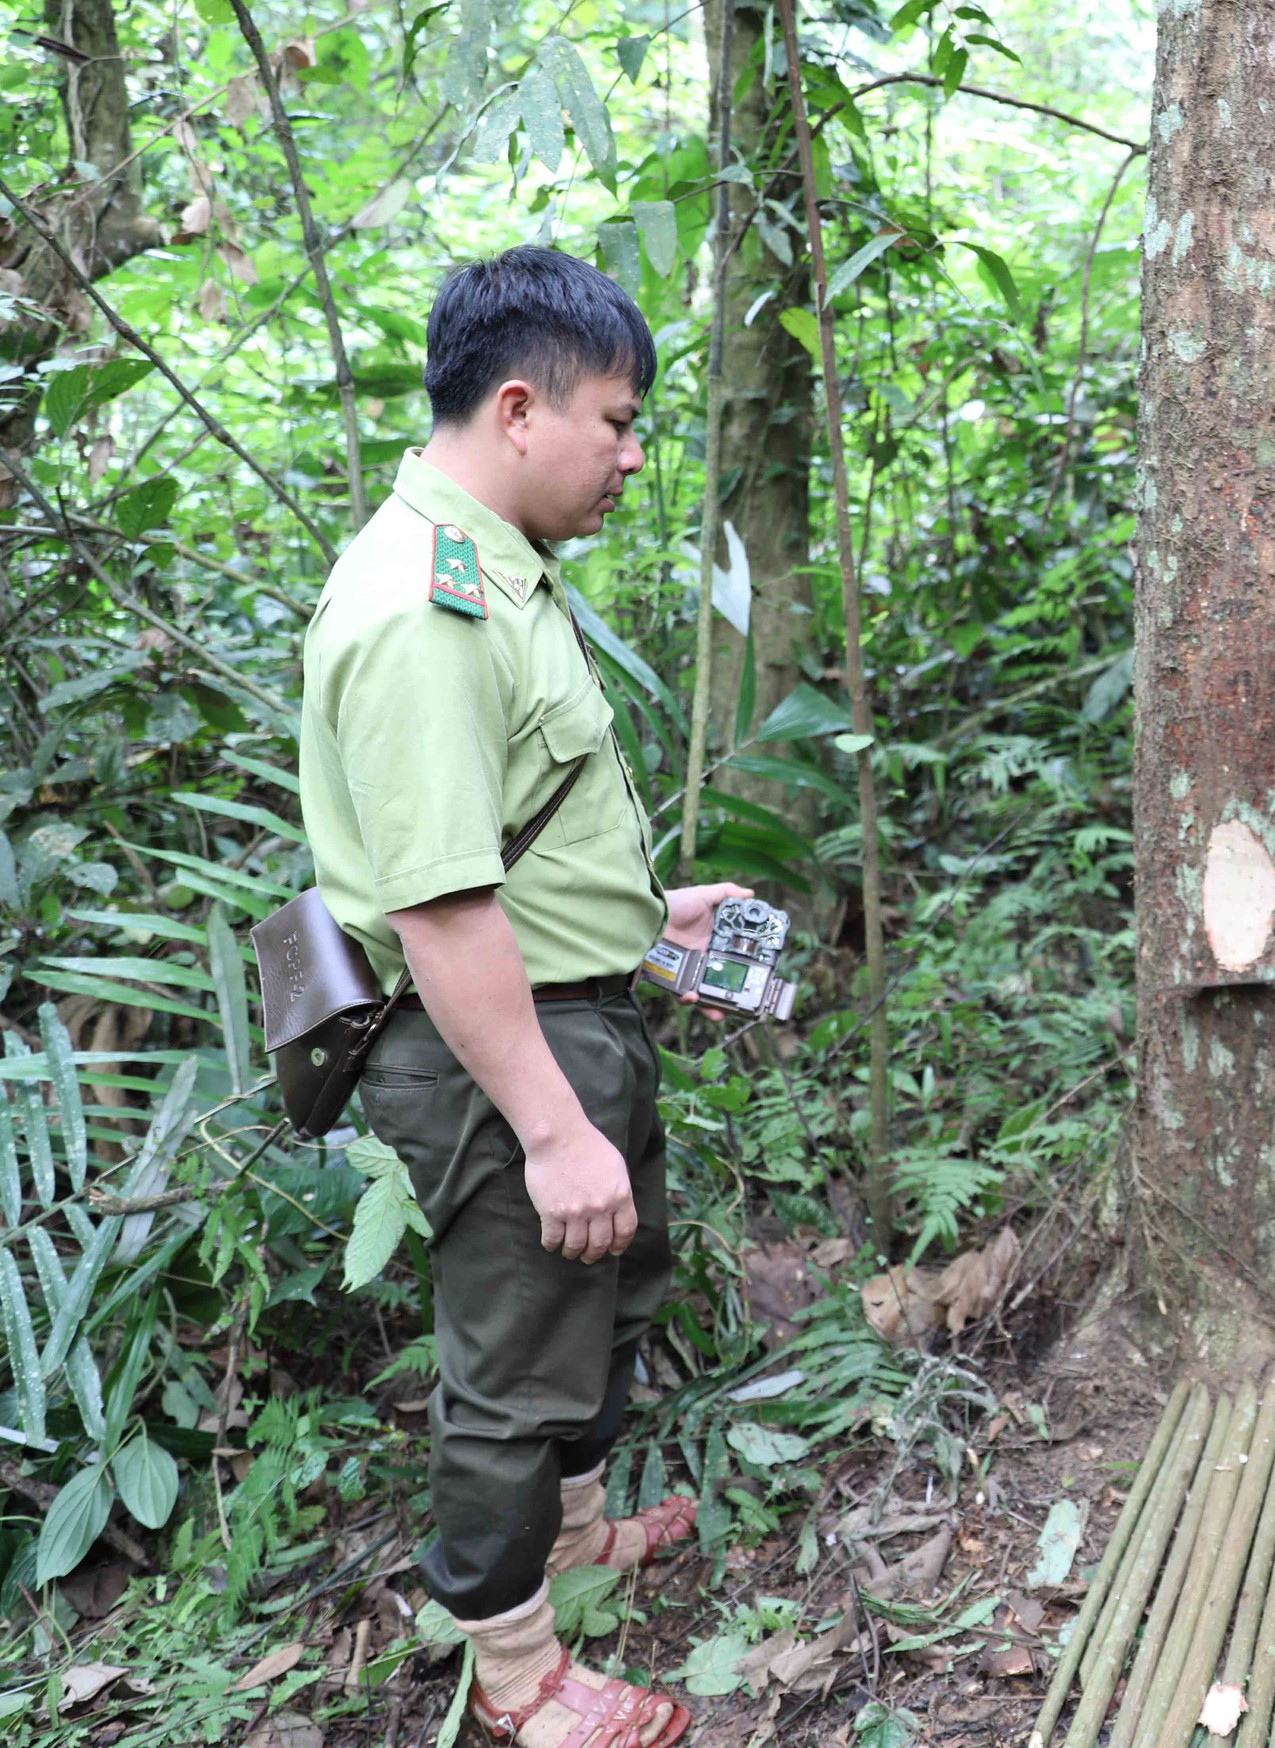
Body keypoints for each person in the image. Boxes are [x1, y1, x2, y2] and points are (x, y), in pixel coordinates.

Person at [301, 247, 747, 1748]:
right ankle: (516, 1675)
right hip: (494, 1045)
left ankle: (570, 1541)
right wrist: (552, 1130)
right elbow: (439, 908)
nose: (631, 454)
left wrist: (646, 917)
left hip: (564, 1009)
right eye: (617, 422)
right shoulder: (425, 611)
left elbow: (509, 831)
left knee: (606, 1290)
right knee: (514, 1355)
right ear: (516, 407)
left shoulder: (493, 563)